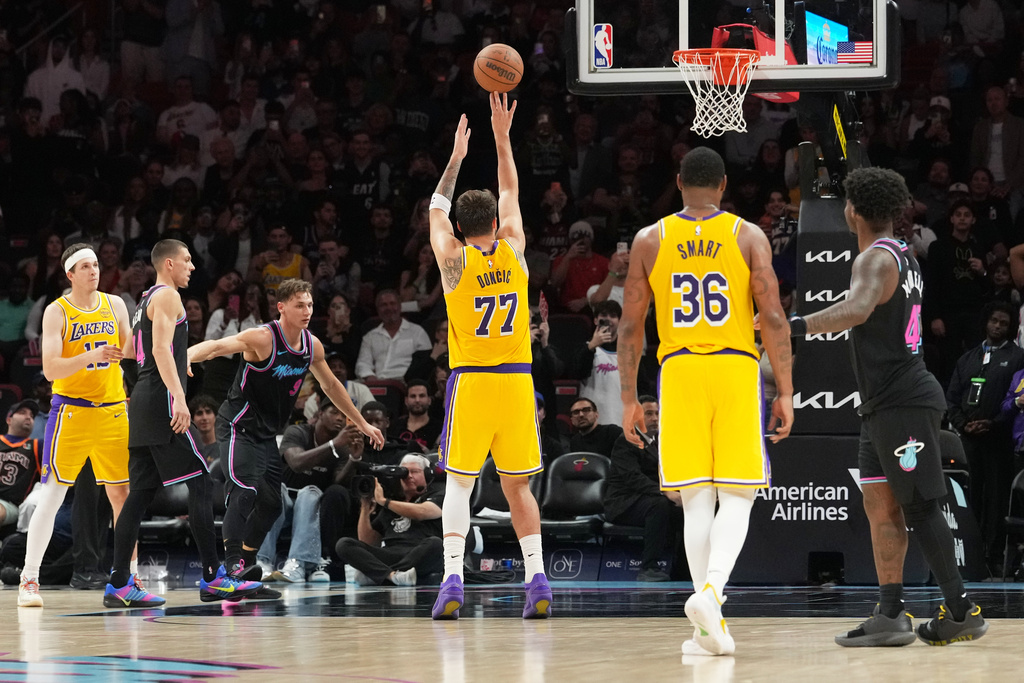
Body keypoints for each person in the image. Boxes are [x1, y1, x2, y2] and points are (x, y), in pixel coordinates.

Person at [788, 167, 988, 646]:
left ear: (852, 210)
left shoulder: (874, 259)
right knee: (881, 508)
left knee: (919, 507)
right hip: (881, 405)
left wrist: (793, 325)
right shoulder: (903, 254)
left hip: (903, 401)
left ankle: (961, 611)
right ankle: (891, 613)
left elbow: (856, 309)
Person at [618, 147, 794, 656]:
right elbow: (774, 318)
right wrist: (785, 390)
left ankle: (705, 626)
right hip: (735, 366)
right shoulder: (748, 235)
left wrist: (628, 399)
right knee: (738, 495)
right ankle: (712, 597)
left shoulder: (650, 239)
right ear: (722, 186)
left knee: (696, 499)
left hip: (679, 371)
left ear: (678, 182)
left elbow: (629, 327)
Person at [429, 95, 551, 620]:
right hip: (518, 383)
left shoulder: (452, 259)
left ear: (460, 229)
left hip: (472, 382)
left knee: (459, 484)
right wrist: (502, 138)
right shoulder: (515, 248)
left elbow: (435, 208)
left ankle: (452, 579)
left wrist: (456, 157)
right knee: (517, 487)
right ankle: (537, 579)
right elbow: (511, 190)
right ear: (496, 224)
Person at [187, 278, 384, 586]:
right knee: (245, 491)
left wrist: (361, 422)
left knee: (271, 504)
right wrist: (184, 356)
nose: (307, 311)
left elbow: (331, 385)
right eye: (299, 305)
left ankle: (247, 565)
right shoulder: (263, 338)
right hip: (238, 425)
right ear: (281, 307)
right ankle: (231, 567)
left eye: (310, 305)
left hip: (266, 434)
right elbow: (216, 347)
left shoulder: (311, 345)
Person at [106, 240, 262, 608]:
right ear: (169, 264)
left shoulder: (144, 300)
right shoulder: (168, 296)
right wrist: (177, 394)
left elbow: (128, 354)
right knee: (201, 483)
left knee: (139, 495)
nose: (192, 267)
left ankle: (119, 583)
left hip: (141, 402)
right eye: (187, 260)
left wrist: (165, 372)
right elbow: (160, 349)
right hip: (160, 400)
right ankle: (213, 577)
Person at [18, 244, 135, 608]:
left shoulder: (115, 304)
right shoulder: (58, 311)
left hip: (113, 410)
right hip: (72, 411)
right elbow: (51, 368)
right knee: (52, 495)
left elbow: (132, 351)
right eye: (85, 266)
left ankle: (129, 579)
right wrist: (92, 355)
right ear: (69, 274)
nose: (93, 270)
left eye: (96, 264)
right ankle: (29, 579)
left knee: (122, 496)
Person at [945, 301, 1024, 575]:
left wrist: (994, 423)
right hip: (969, 440)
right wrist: (963, 425)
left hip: (1000, 441)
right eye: (994, 321)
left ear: (1011, 328)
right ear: (986, 322)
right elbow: (952, 398)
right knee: (970, 498)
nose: (998, 326)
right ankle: (970, 555)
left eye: (1004, 323)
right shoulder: (968, 358)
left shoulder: (1018, 357)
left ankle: (994, 556)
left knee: (997, 500)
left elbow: (1015, 400)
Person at [260, 389, 348, 583]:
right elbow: (296, 463)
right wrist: (332, 445)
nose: (340, 418)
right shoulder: (297, 432)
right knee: (276, 490)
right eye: (335, 412)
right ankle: (262, 561)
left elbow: (338, 484)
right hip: (283, 501)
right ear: (319, 414)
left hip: (311, 508)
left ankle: (297, 564)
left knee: (310, 493)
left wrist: (354, 459)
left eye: (344, 415)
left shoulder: (342, 448)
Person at [335, 453, 443, 586]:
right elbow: (369, 541)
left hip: (420, 552)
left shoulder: (438, 495)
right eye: (404, 472)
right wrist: (365, 508)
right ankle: (393, 576)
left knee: (436, 544)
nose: (409, 476)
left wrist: (383, 501)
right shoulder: (392, 503)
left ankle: (378, 575)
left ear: (427, 475)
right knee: (344, 544)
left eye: (415, 471)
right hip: (391, 553)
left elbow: (422, 512)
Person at [604, 396, 680, 582]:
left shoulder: (660, 442)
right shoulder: (626, 440)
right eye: (649, 414)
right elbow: (633, 478)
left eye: (657, 413)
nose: (655, 418)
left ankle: (682, 568)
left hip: (647, 498)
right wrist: (666, 492)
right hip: (623, 503)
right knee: (659, 505)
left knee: (685, 511)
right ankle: (649, 568)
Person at [0, 401, 42, 533]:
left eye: (31, 416)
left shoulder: (37, 446)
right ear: (9, 419)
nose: (28, 417)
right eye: (22, 413)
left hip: (10, 504)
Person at [389, 380, 441, 452]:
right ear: (406, 401)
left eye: (422, 396)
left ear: (429, 400)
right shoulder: (394, 427)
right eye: (413, 396)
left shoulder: (440, 428)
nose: (417, 400)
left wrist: (428, 454)